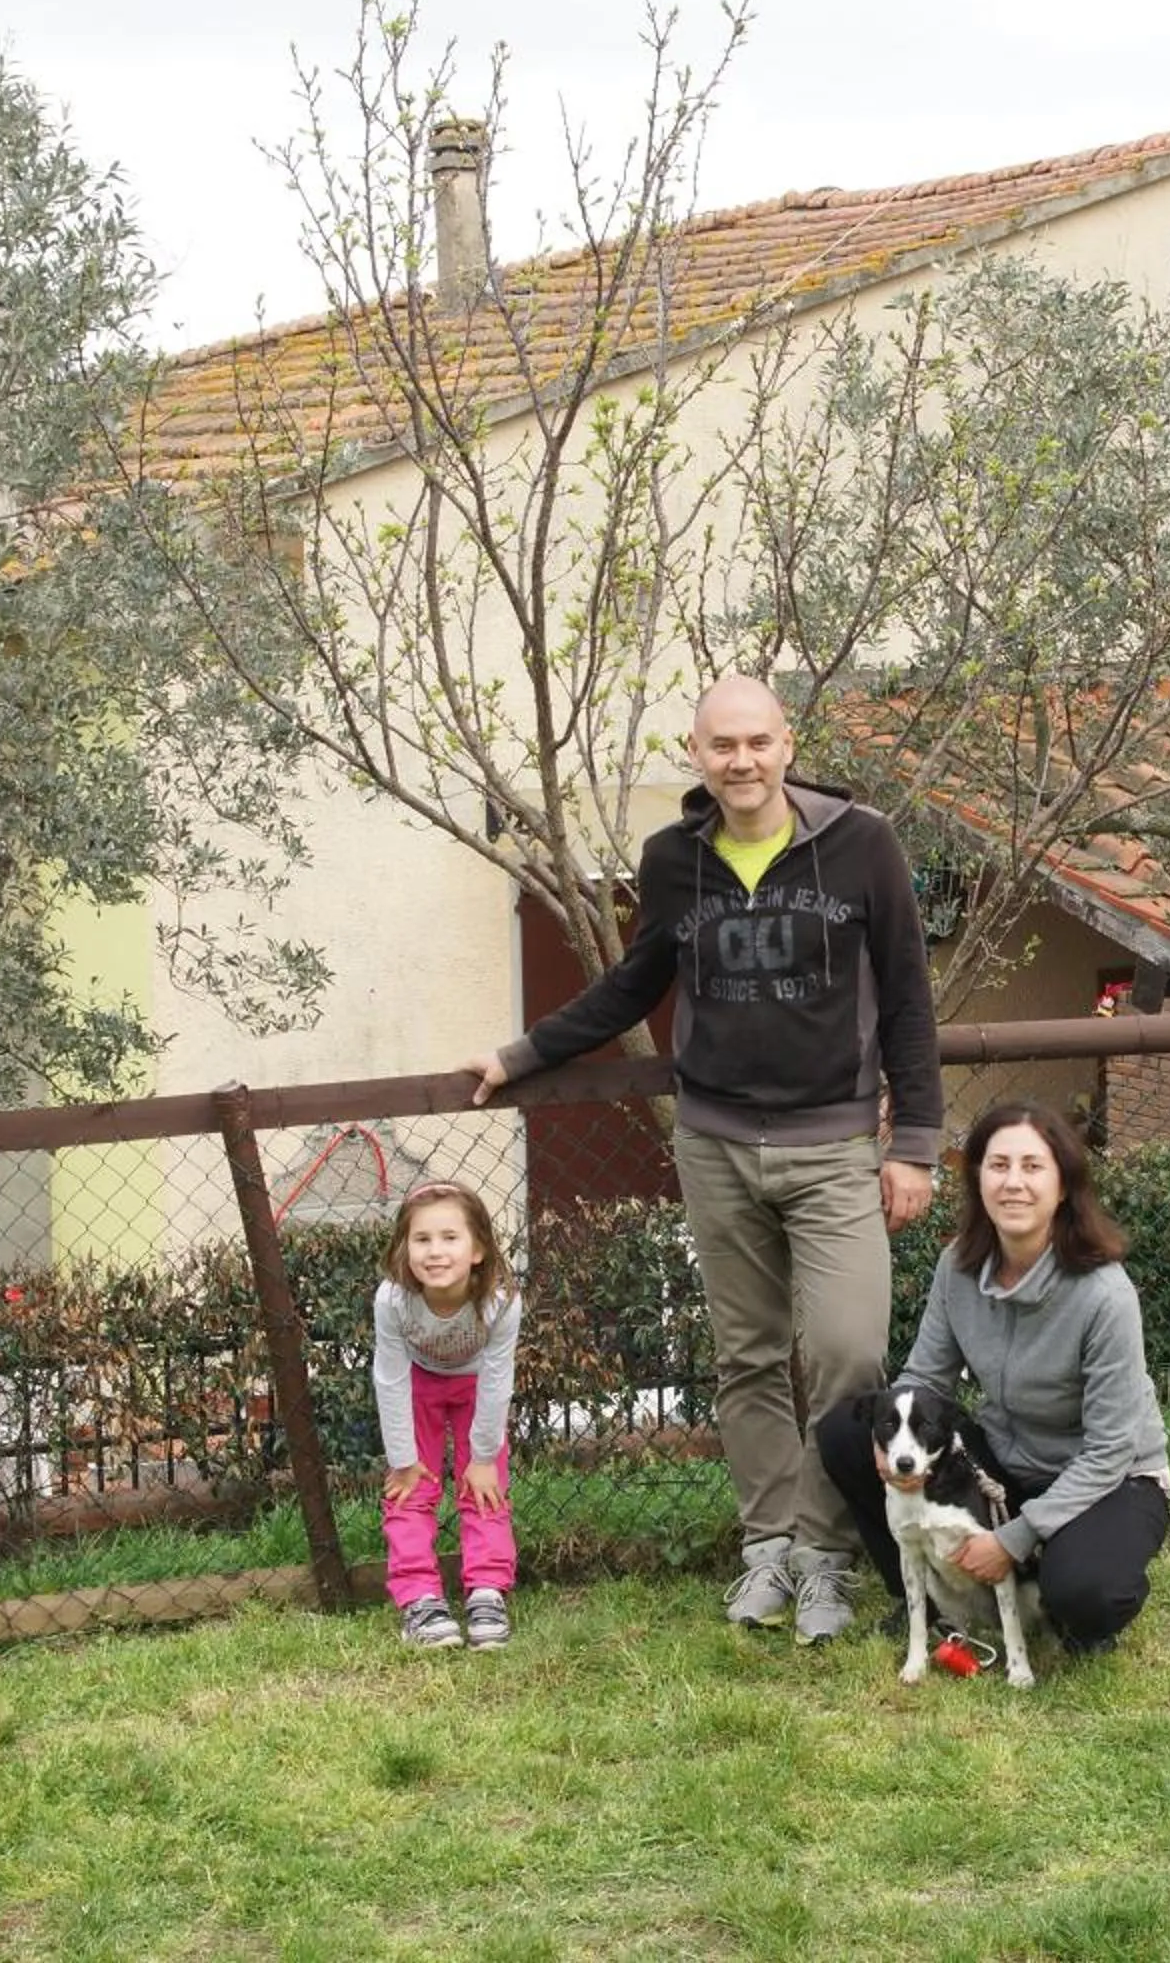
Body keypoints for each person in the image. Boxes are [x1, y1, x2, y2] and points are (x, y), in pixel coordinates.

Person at [461, 675, 941, 1641]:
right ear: (698, 754)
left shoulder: (861, 845)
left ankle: (826, 1557)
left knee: (847, 1356)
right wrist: (521, 1053)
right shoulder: (674, 859)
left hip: (834, 1145)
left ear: (787, 742)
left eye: (759, 742)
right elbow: (635, 983)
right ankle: (769, 1551)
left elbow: (906, 1000)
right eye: (724, 746)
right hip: (715, 1145)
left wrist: (918, 1144)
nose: (744, 762)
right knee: (748, 1358)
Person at [814, 1100, 1170, 1658]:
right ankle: (924, 1606)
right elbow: (923, 1382)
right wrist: (892, 1448)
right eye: (998, 1165)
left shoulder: (1105, 1294)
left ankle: (1076, 1601)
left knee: (1085, 1591)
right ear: (977, 1176)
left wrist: (1014, 1539)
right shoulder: (958, 1267)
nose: (1013, 1183)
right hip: (1005, 1465)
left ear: (1063, 1186)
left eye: (1033, 1167)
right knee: (846, 1431)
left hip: (1112, 1478)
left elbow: (1110, 1449)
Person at [372, 1180, 523, 1651]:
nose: (435, 1252)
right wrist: (402, 1456)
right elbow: (390, 1378)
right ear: (404, 1248)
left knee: (484, 1487)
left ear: (478, 1249)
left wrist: (481, 1456)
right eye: (422, 1239)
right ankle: (420, 1599)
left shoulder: (500, 1301)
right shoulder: (393, 1300)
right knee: (411, 1486)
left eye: (450, 1238)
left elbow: (498, 1381)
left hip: (477, 1386)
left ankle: (486, 1592)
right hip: (418, 1384)